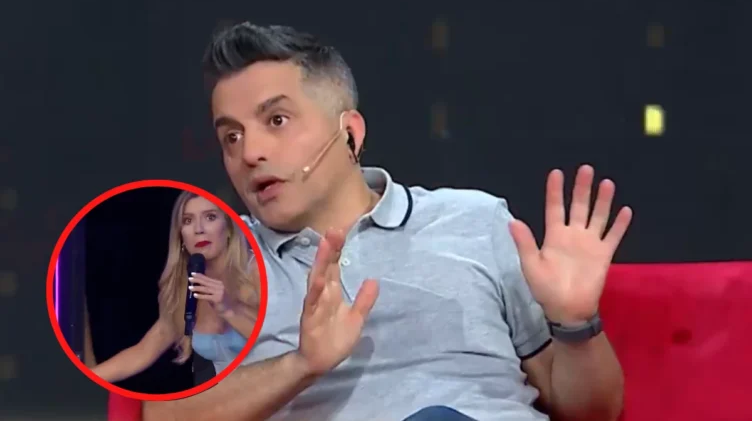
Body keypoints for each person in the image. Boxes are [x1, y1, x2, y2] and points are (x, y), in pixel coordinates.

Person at [142, 23, 632, 421]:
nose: (250, 153)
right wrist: (301, 365)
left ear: (349, 134)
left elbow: (591, 413)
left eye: (276, 121)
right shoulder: (225, 256)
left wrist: (575, 324)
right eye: (231, 137)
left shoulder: (475, 220)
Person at [88, 191, 259, 385]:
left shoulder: (255, 272)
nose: (199, 229)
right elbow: (142, 353)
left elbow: (279, 343)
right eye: (188, 221)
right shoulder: (184, 290)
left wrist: (229, 310)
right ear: (181, 236)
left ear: (228, 229)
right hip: (230, 396)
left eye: (210, 217)